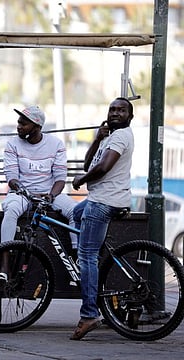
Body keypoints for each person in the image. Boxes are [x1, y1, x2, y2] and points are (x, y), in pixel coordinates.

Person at [70, 97, 134, 340]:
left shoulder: (121, 137)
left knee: (86, 257)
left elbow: (104, 167)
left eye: (121, 110)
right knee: (76, 213)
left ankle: (89, 314)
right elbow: (89, 163)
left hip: (104, 201)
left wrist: (81, 180)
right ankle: (91, 258)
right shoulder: (109, 136)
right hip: (101, 198)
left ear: (130, 116)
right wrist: (97, 138)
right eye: (112, 109)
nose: (116, 113)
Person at [0, 105, 78, 282]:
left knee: (75, 211)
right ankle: (4, 269)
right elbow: (11, 177)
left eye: (23, 124)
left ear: (37, 127)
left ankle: (77, 260)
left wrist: (50, 196)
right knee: (11, 211)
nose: (19, 126)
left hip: (49, 194)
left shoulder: (56, 144)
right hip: (22, 194)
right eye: (18, 122)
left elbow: (60, 178)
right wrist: (23, 190)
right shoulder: (12, 144)